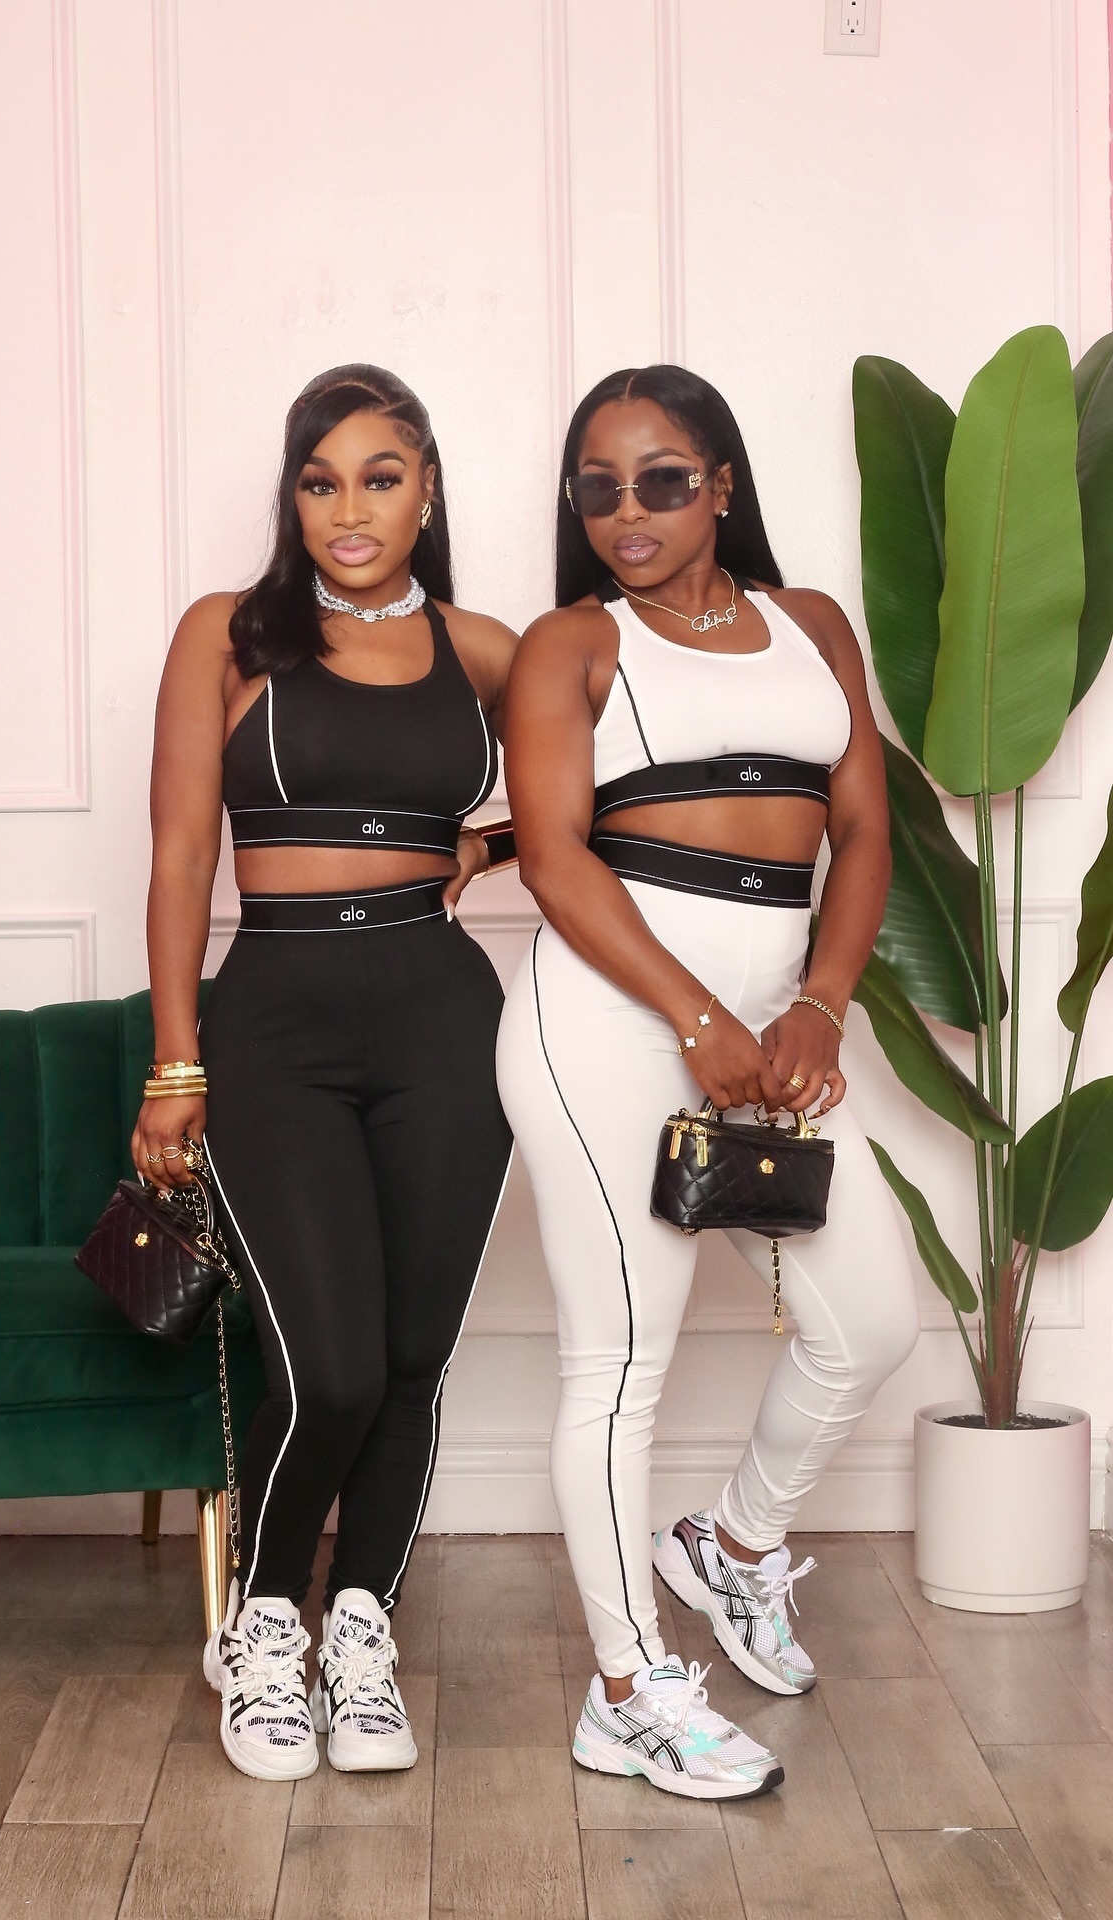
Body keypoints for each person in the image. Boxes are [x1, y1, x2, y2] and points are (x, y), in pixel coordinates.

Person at [496, 365, 920, 1800]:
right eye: (599, 488)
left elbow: (862, 836)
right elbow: (553, 857)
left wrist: (821, 1006)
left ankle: (734, 1547)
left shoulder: (812, 628)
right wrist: (693, 1017)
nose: (629, 511)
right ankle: (627, 1691)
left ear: (723, 484)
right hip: (608, 1029)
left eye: (664, 479)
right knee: (620, 1366)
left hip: (771, 1038)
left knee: (873, 1321)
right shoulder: (573, 644)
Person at [136, 364, 516, 1782]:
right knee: (332, 1367)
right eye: (320, 480)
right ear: (292, 499)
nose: (349, 509)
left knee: (412, 1359)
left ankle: (362, 1631)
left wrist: (488, 845)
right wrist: (175, 1062)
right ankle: (264, 1623)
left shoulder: (485, 650)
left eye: (380, 477)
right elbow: (183, 854)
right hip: (276, 1026)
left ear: (428, 492)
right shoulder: (230, 635)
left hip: (442, 1023)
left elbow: (599, 792)